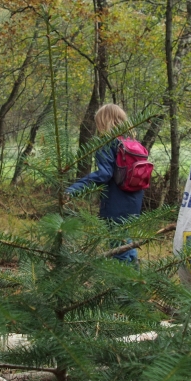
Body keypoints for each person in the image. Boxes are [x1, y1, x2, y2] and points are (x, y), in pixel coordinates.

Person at [65, 104, 144, 263]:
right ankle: (135, 279)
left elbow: (104, 174)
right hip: (134, 201)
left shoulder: (108, 143)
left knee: (117, 246)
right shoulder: (132, 143)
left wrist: (73, 189)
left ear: (103, 122)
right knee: (125, 240)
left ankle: (122, 283)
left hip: (116, 203)